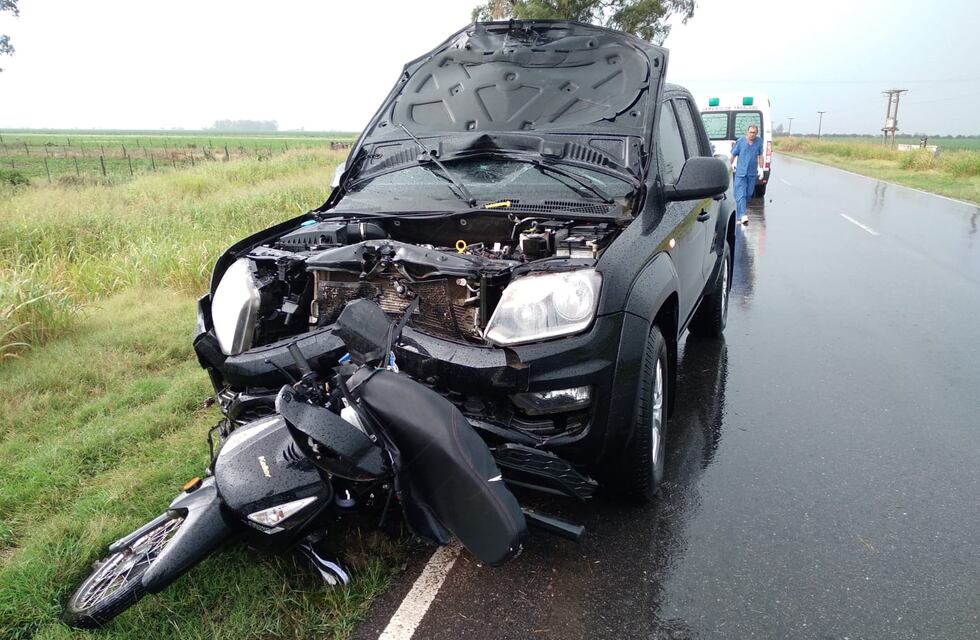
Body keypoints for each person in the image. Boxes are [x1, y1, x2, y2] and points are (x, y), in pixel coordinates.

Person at [730, 125, 764, 225]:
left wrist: (761, 168)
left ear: (756, 134)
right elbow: (733, 155)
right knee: (741, 194)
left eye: (754, 133)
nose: (752, 134)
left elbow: (761, 155)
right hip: (740, 173)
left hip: (752, 173)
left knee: (748, 194)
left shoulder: (759, 142)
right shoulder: (740, 142)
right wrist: (728, 166)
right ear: (747, 132)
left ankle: (740, 213)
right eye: (750, 132)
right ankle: (742, 215)